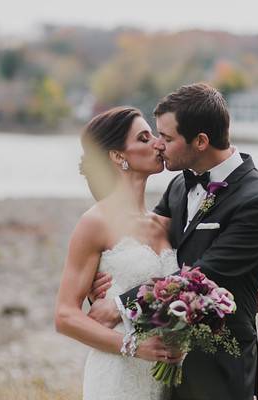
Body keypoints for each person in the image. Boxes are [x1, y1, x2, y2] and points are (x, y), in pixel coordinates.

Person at [89, 83, 258, 400]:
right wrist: (104, 277)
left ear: (201, 141)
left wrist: (121, 306)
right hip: (161, 366)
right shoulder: (179, 187)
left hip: (219, 370)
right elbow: (147, 247)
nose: (159, 146)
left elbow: (205, 276)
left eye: (166, 138)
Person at [54, 106, 183, 400]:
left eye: (155, 135)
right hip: (117, 374)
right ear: (118, 156)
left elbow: (195, 278)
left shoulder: (167, 225)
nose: (158, 143)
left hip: (168, 379)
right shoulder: (95, 222)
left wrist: (249, 288)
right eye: (144, 138)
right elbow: (65, 315)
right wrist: (133, 346)